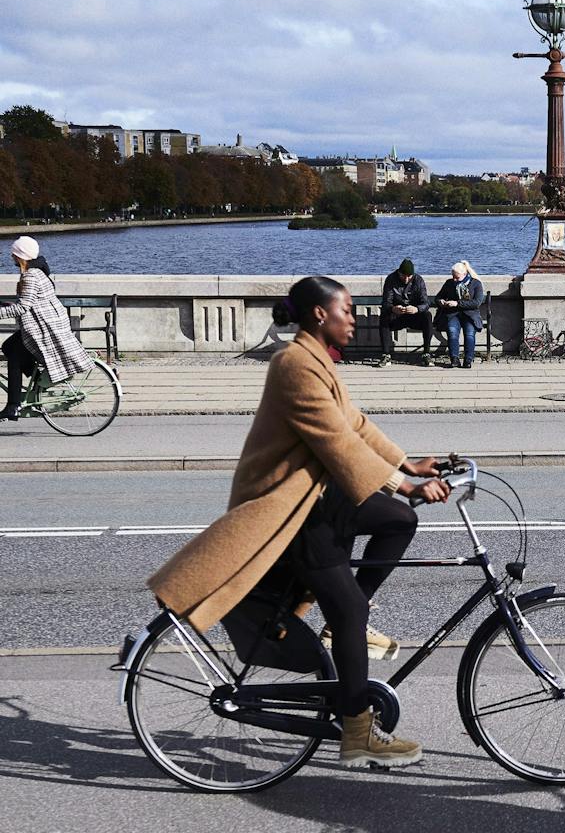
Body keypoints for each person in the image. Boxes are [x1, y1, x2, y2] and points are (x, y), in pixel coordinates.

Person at [148, 276, 452, 769]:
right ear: (319, 315)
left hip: (316, 498)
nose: (354, 319)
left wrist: (407, 463)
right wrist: (406, 483)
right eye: (348, 310)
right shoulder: (293, 365)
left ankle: (341, 625)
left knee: (397, 521)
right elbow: (337, 442)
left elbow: (354, 423)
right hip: (289, 510)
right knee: (351, 605)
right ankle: (357, 732)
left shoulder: (316, 363)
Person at [1, 236, 94, 421]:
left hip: (44, 331)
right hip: (45, 325)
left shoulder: (30, 275)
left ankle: (13, 406)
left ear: (21, 256)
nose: (11, 257)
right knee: (9, 346)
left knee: (14, 357)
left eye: (14, 253)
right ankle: (36, 382)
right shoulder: (37, 271)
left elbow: (23, 307)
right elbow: (30, 302)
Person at [377, 258, 435, 367]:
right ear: (399, 273)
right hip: (397, 316)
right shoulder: (391, 279)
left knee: (427, 316)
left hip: (414, 315)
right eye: (403, 276)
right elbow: (385, 303)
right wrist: (393, 308)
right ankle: (386, 355)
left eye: (409, 276)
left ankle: (426, 353)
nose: (406, 279)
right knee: (384, 317)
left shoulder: (418, 280)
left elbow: (426, 303)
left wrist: (416, 309)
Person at [434, 260, 485, 368]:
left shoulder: (476, 284)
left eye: (457, 277)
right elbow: (438, 297)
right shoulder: (449, 283)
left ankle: (468, 359)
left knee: (469, 333)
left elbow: (476, 303)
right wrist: (441, 301)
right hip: (452, 314)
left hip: (470, 315)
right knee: (452, 332)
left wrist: (457, 303)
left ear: (465, 274)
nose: (454, 279)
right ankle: (454, 359)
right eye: (453, 276)